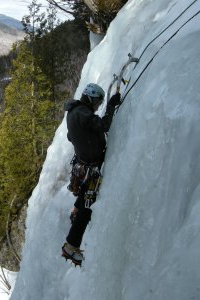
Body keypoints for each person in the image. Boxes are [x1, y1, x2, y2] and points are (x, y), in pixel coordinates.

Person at [62, 83, 121, 266]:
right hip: (91, 167)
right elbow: (103, 125)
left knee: (84, 198)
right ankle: (71, 246)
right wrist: (111, 106)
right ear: (91, 98)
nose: (97, 106)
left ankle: (75, 210)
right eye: (98, 102)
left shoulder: (73, 113)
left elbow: (71, 137)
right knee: (88, 209)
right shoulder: (82, 113)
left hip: (83, 165)